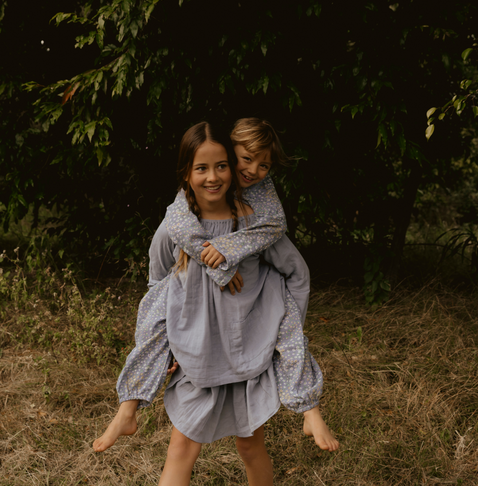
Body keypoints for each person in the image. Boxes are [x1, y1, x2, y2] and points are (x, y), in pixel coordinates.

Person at [94, 119, 338, 456]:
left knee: (290, 333)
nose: (252, 170)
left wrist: (233, 252)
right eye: (244, 159)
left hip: (254, 304)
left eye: (264, 164)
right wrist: (220, 266)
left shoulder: (260, 197)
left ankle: (309, 410)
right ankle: (127, 410)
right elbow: (174, 234)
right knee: (152, 333)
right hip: (186, 295)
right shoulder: (188, 201)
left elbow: (274, 229)